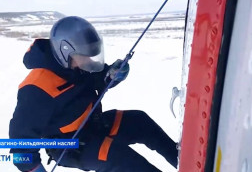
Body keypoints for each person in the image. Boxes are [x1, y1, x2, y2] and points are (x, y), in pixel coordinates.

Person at [9, 16, 178, 172]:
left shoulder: (78, 64)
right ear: (65, 52)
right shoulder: (36, 88)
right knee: (124, 160)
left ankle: (185, 161)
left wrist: (112, 75)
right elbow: (20, 144)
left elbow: (98, 79)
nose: (89, 60)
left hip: (93, 124)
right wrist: (32, 168)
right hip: (69, 145)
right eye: (85, 55)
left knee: (140, 122)